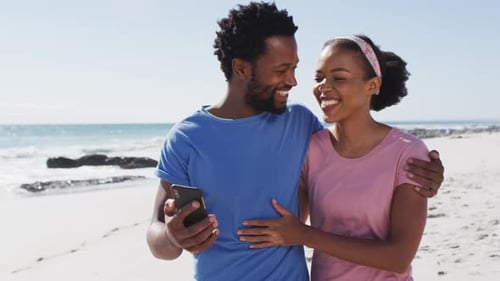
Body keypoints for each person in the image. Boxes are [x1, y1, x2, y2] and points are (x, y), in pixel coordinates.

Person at [146, 3, 444, 281]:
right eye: (280, 70)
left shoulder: (300, 124)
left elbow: (358, 152)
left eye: (294, 68)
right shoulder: (186, 138)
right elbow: (157, 236)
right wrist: (172, 238)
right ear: (241, 69)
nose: (292, 81)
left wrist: (427, 173)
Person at [237, 34, 433, 280]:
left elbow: (398, 257)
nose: (324, 87)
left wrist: (305, 235)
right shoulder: (310, 150)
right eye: (319, 78)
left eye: (339, 78)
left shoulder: (408, 152)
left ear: (372, 85)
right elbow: (284, 219)